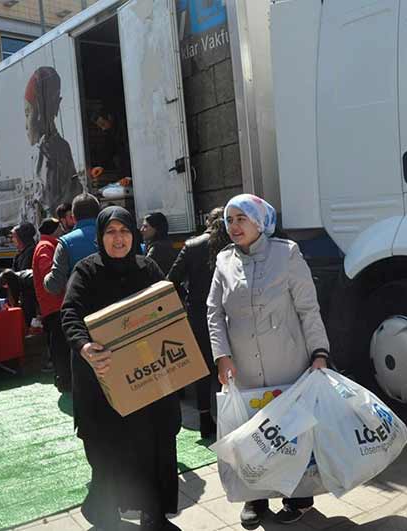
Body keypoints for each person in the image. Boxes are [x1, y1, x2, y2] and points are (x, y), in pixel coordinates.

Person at [207, 194, 330, 528]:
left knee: (291, 431)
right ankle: (255, 497)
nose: (234, 226)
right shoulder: (223, 261)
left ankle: (299, 496)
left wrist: (319, 353)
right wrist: (222, 355)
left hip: (287, 362)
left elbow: (308, 308)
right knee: (251, 433)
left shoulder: (286, 253)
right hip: (243, 367)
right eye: (229, 220)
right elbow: (214, 313)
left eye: (241, 219)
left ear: (259, 222)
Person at [61, 206, 182, 531]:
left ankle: (153, 516)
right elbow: (70, 312)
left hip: (147, 381)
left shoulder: (148, 268)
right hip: (102, 383)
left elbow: (168, 308)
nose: (119, 239)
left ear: (134, 234)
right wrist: (85, 346)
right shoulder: (86, 272)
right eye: (111, 232)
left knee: (153, 450)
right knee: (108, 454)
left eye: (125, 231)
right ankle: (105, 516)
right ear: (101, 237)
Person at [167, 207, 228, 439]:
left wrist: (188, 296)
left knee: (203, 368)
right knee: (233, 362)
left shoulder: (192, 246)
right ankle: (235, 416)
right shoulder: (235, 242)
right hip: (231, 312)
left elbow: (171, 280)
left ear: (207, 222)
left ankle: (205, 420)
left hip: (199, 313)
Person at [24, 67, 80, 225]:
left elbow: (51, 203)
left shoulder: (52, 152)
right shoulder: (54, 148)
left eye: (28, 113)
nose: (26, 125)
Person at [33, 218, 69, 387]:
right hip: (55, 302)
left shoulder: (44, 245)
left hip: (52, 303)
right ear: (55, 230)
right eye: (59, 227)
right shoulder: (47, 247)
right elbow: (49, 272)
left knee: (58, 342)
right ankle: (62, 377)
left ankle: (61, 377)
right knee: (59, 343)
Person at [43, 193, 100, 296]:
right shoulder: (116, 235)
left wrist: (45, 278)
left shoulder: (66, 243)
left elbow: (54, 285)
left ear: (73, 218)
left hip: (84, 306)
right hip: (120, 304)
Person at [11, 222, 38, 326]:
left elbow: (26, 276)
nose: (12, 240)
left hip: (30, 298)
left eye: (14, 237)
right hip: (24, 297)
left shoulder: (31, 251)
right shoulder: (21, 252)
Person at [140, 212, 178, 276]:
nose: (141, 229)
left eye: (145, 226)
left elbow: (143, 270)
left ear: (156, 228)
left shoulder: (157, 248)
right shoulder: (165, 243)